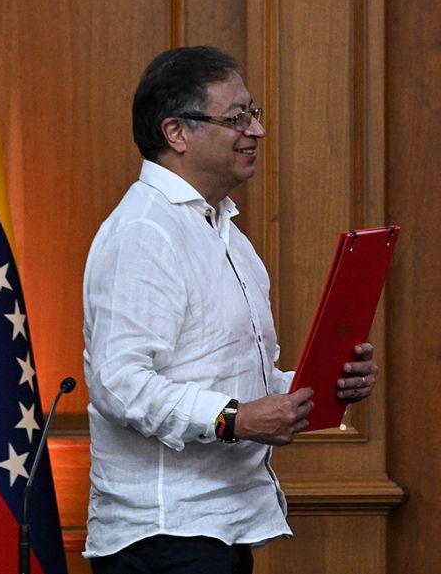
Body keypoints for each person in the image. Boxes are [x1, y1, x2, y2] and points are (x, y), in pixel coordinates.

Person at [82, 46, 379, 574]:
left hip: (217, 528)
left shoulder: (223, 231)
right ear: (176, 133)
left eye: (254, 113)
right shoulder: (144, 231)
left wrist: (316, 385)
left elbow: (231, 376)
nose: (256, 130)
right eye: (235, 117)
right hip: (164, 536)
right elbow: (119, 384)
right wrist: (235, 420)